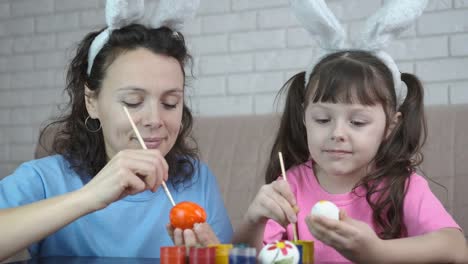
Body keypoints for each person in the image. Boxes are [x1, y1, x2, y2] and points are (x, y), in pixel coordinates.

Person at [0, 1, 232, 261]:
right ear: (92, 101)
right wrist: (89, 197)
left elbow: (229, 255)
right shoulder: (44, 180)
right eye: (133, 101)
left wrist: (214, 259)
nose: (155, 119)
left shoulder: (198, 181)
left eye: (170, 103)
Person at [232, 49, 468, 262]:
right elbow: (248, 256)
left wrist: (376, 252)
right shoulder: (290, 185)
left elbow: (457, 249)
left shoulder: (402, 185)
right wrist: (254, 221)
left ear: (390, 126)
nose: (337, 133)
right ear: (304, 117)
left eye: (357, 122)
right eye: (322, 120)